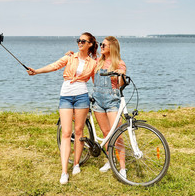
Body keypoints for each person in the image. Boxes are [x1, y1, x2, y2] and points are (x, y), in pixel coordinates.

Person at [27, 32, 98, 185]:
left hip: (82, 97)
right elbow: (54, 66)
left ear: (90, 44)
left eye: (83, 41)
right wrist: (36, 71)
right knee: (66, 133)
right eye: (78, 40)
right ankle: (64, 171)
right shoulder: (69, 57)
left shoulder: (93, 63)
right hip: (65, 96)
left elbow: (97, 80)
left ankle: (76, 164)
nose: (79, 42)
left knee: (79, 132)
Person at [92, 36, 127, 178]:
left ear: (112, 47)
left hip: (112, 101)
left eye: (103, 45)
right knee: (106, 133)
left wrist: (121, 75)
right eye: (100, 44)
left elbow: (121, 84)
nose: (101, 46)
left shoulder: (119, 63)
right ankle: (109, 160)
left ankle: (123, 167)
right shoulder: (98, 62)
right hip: (98, 101)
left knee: (117, 135)